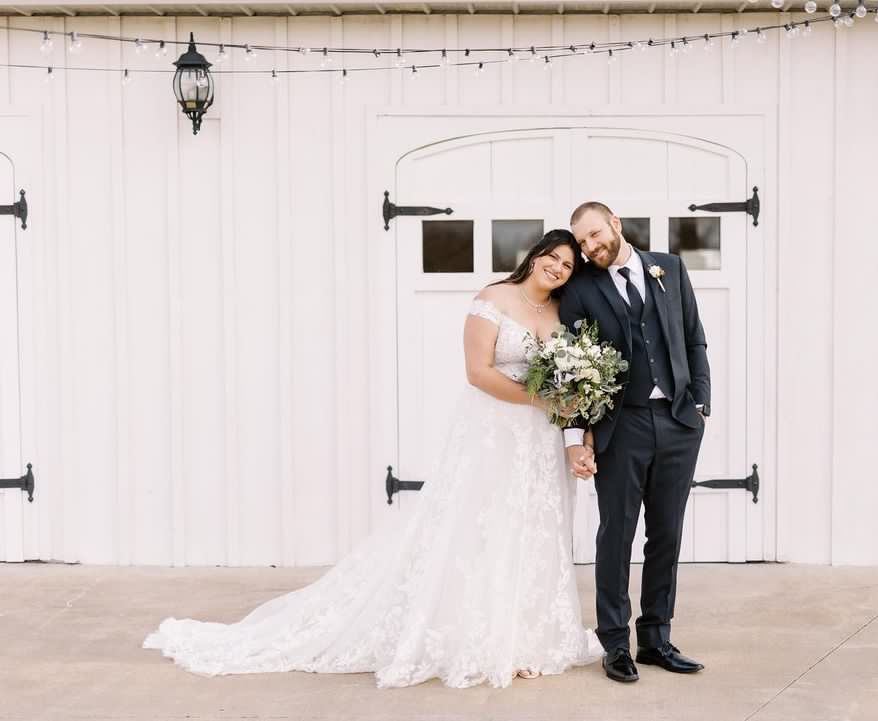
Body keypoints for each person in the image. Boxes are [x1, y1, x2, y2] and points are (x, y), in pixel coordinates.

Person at [143, 229, 603, 689]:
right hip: (492, 434)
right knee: (480, 528)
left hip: (538, 445)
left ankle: (527, 638)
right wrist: (539, 401)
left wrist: (568, 420)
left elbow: (568, 385)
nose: (557, 268)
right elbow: (478, 372)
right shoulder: (494, 297)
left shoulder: (564, 313)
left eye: (567, 266)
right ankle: (480, 635)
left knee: (531, 529)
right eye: (552, 257)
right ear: (536, 255)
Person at [559, 202, 710, 684]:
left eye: (595, 234)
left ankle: (656, 639)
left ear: (615, 225)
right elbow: (574, 363)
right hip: (620, 427)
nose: (590, 247)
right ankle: (615, 643)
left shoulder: (670, 267)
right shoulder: (580, 288)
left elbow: (694, 338)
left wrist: (700, 403)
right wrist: (576, 435)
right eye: (582, 242)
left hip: (678, 421)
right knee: (616, 535)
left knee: (667, 532)